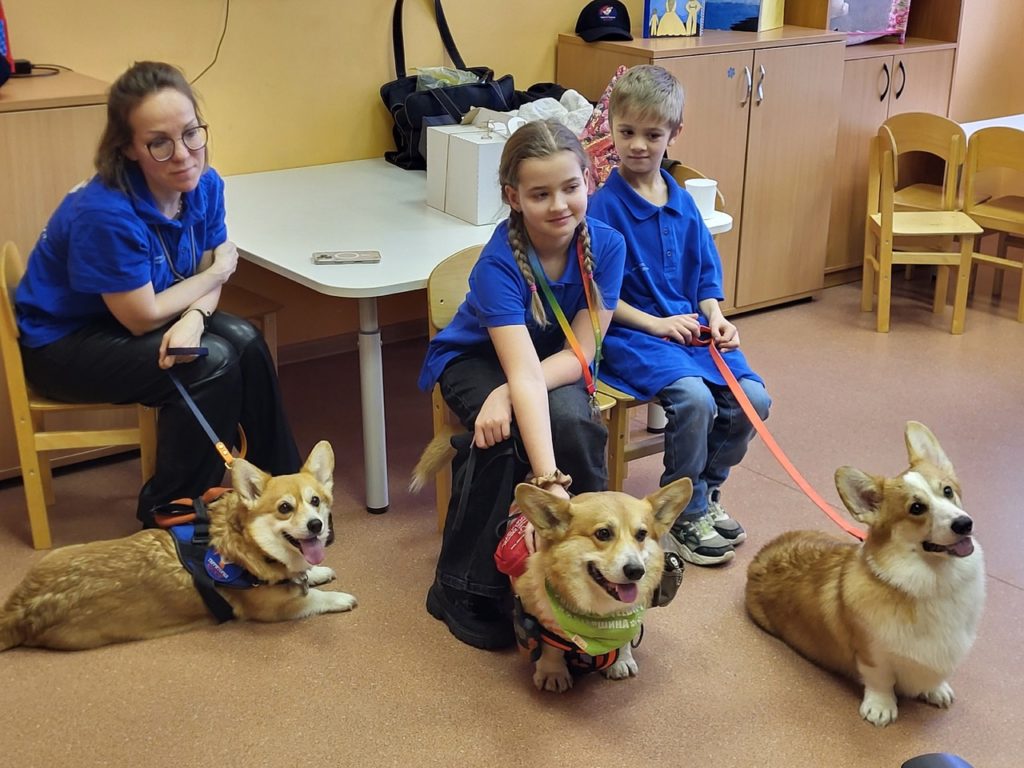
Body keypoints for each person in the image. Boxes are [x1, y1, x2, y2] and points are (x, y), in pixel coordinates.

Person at [15, 61, 300, 524]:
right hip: (62, 345)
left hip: (138, 313)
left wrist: (196, 316)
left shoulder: (204, 184)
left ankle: (284, 495)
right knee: (211, 363)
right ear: (128, 148)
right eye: (159, 143)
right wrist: (218, 273)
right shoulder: (105, 211)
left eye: (191, 133)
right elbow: (144, 315)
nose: (184, 154)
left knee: (245, 342)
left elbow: (208, 275)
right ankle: (176, 510)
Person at [418, 119, 625, 649]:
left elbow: (579, 354)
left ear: (589, 179)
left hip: (545, 364)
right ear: (513, 197)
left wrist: (510, 390)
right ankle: (462, 586)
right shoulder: (498, 265)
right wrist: (549, 479)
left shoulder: (607, 246)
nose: (559, 204)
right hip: (475, 357)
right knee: (501, 436)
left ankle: (586, 571)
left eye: (570, 187)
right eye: (539, 194)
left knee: (573, 420)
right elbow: (522, 369)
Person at [588, 64, 771, 567]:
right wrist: (657, 324)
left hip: (689, 335)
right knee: (694, 401)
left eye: (653, 134)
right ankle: (681, 516)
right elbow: (600, 300)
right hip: (634, 337)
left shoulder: (685, 203)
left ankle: (706, 494)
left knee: (754, 398)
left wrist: (717, 317)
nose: (639, 146)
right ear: (612, 130)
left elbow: (706, 283)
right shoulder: (601, 209)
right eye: (627, 132)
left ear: (674, 134)